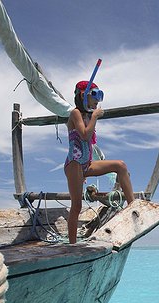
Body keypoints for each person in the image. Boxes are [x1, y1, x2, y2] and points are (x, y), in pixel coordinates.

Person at [64, 80, 135, 243]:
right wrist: (95, 116)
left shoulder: (88, 115)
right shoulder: (75, 113)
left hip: (86, 164)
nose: (98, 100)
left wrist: (92, 116)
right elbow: (84, 135)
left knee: (121, 165)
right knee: (77, 206)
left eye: (100, 95)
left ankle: (132, 207)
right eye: (95, 95)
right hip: (74, 164)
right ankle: (72, 245)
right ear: (83, 95)